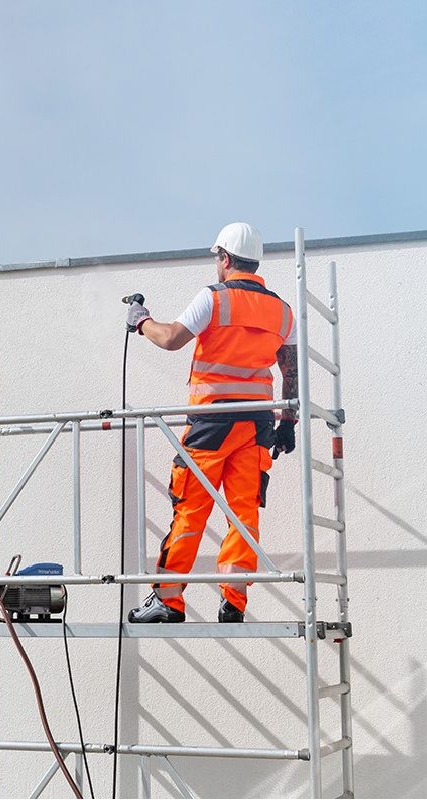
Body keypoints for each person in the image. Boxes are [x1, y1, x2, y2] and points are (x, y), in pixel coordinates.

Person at [125, 222, 298, 624]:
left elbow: (170, 338)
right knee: (243, 510)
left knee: (191, 507)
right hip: (258, 424)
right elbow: (291, 372)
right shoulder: (282, 310)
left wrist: (140, 321)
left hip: (212, 421)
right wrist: (287, 421)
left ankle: (168, 600)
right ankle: (234, 601)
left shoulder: (214, 299)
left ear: (224, 258)